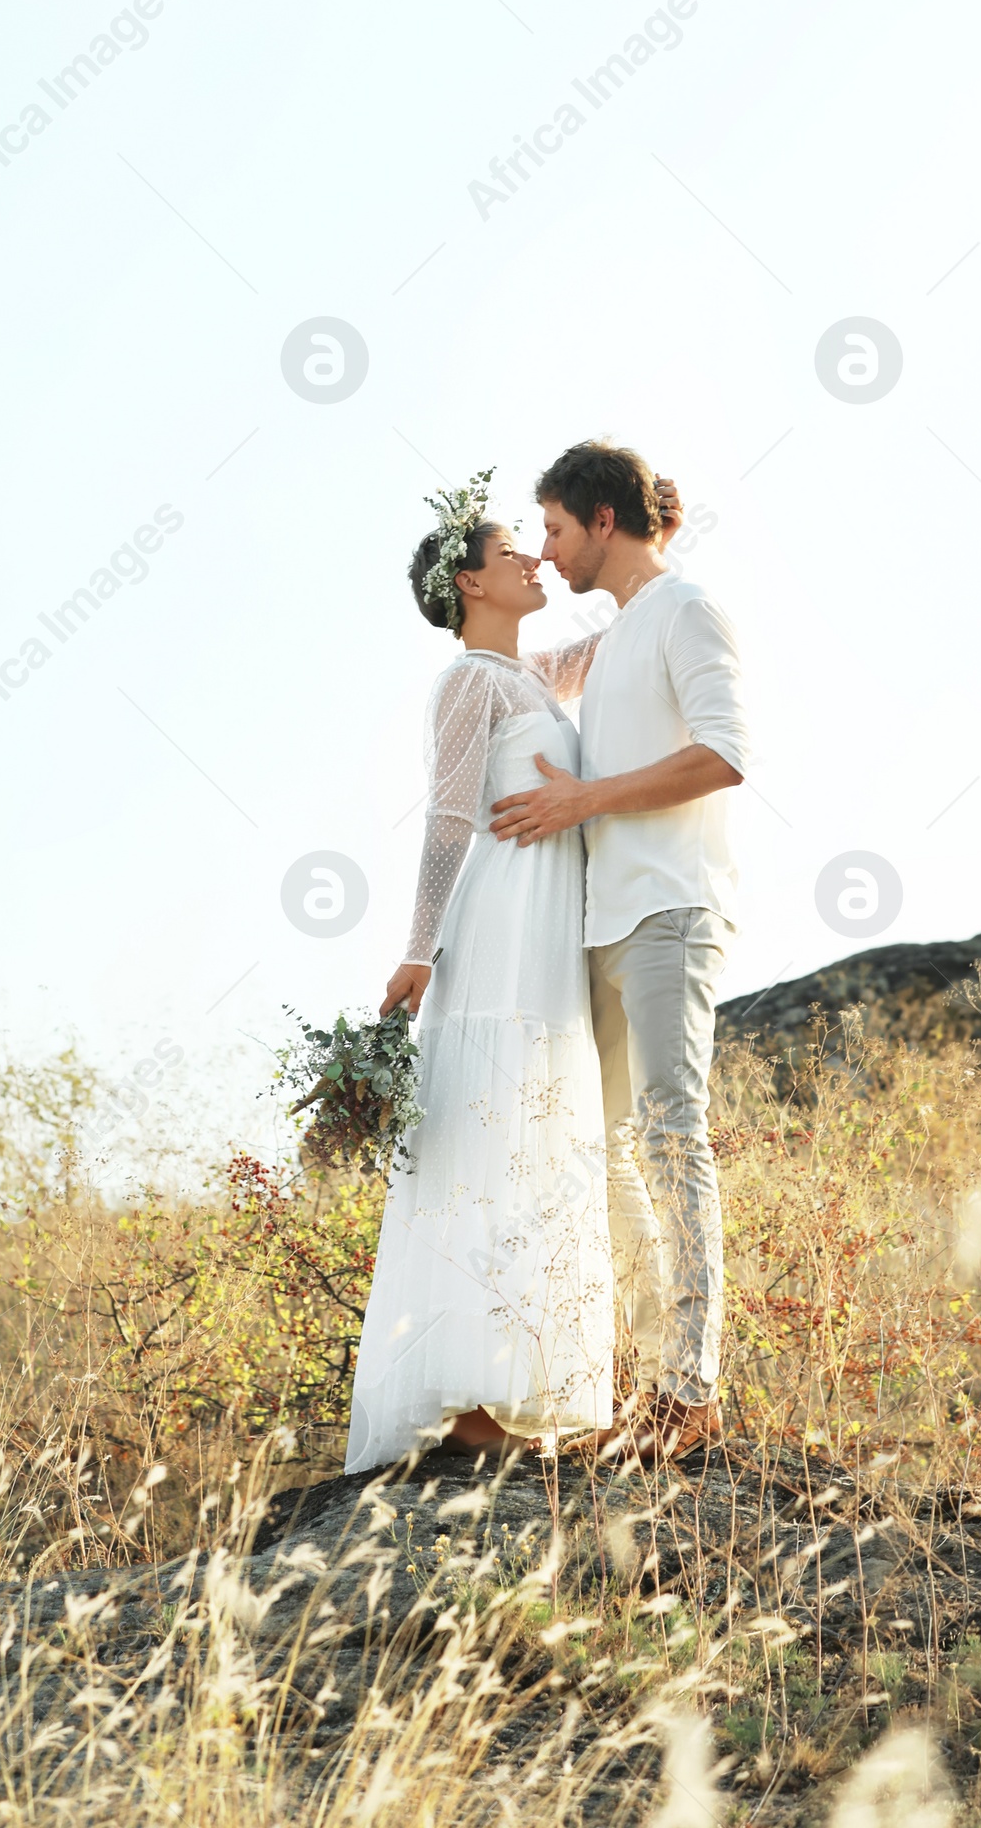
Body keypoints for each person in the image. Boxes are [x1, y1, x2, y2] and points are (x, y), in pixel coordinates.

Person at [345, 469, 676, 1471]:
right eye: (509, 553)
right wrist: (416, 948)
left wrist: (658, 535)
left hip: (545, 933)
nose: (534, 558)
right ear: (469, 585)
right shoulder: (470, 684)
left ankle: (513, 1390)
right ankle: (472, 1401)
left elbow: (629, 626)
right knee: (492, 1129)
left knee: (538, 1128)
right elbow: (449, 821)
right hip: (493, 931)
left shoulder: (534, 678)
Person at [490, 441, 749, 1462]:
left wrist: (581, 800)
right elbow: (502, 672)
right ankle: (642, 1376)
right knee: (595, 1152)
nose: (545, 554)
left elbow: (724, 752)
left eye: (553, 530)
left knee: (671, 1136)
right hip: (598, 924)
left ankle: (690, 1390)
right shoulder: (613, 639)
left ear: (603, 520)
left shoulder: (684, 610)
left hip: (668, 911)